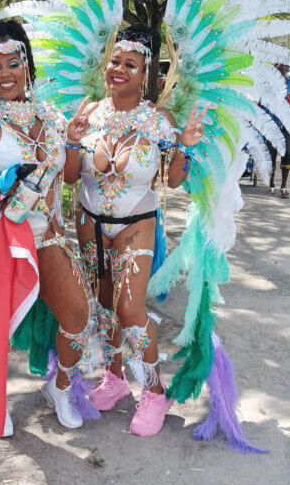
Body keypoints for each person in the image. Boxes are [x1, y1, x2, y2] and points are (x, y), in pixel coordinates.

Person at [64, 24, 211, 437]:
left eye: (130, 64)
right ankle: (114, 380)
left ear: (145, 72)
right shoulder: (89, 112)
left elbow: (175, 180)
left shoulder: (157, 119)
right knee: (104, 306)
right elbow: (73, 178)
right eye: (115, 61)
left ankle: (154, 392)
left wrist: (184, 144)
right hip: (89, 223)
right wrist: (73, 143)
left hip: (136, 226)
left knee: (131, 311)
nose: (119, 69)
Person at [266, 64, 290, 198]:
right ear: (275, 67)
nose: (284, 69)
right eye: (281, 66)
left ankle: (284, 186)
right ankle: (271, 185)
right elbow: (261, 102)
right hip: (271, 125)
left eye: (286, 67)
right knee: (271, 154)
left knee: (288, 154)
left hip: (288, 127)